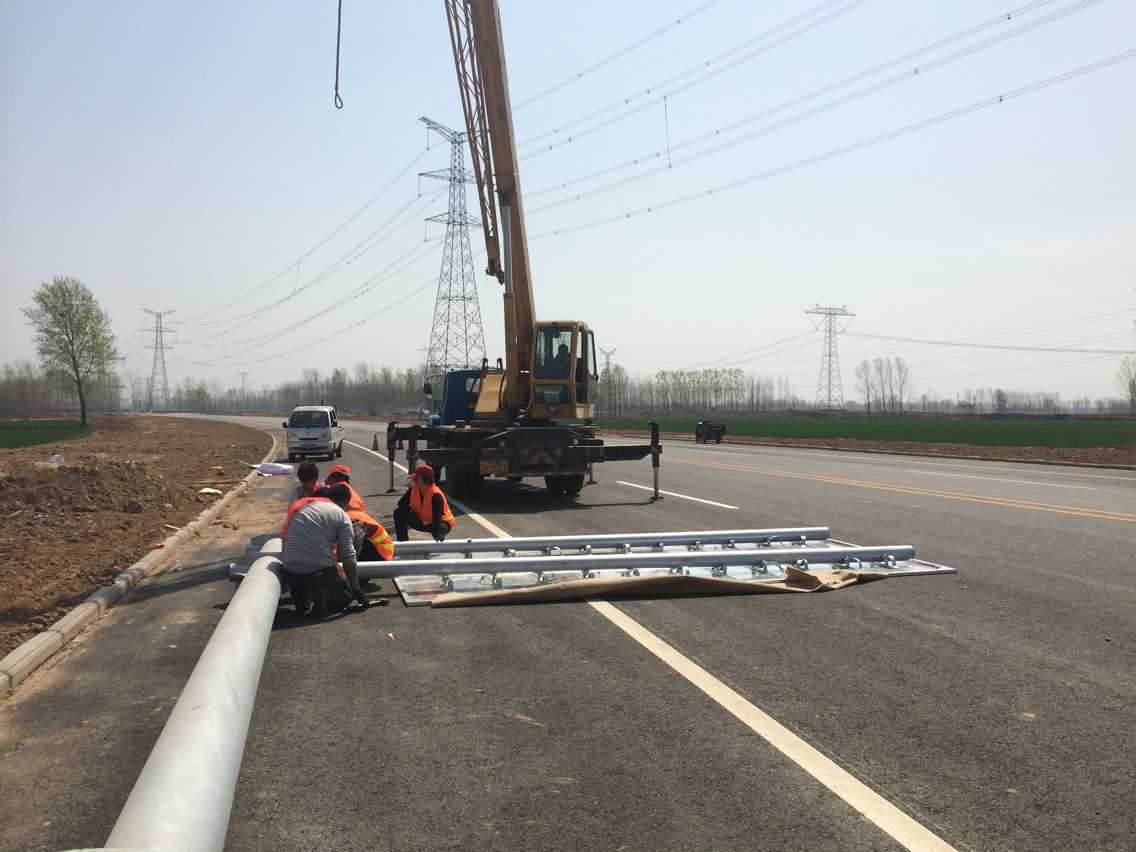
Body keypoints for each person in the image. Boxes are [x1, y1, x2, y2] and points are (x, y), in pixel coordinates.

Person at [280, 483, 364, 617]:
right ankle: (320, 593)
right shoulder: (342, 516)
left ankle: (302, 595)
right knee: (346, 595)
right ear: (344, 502)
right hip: (317, 572)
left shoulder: (305, 508)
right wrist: (356, 589)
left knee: (304, 576)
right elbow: (348, 556)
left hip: (289, 570)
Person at [393, 463, 455, 542]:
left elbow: (437, 519)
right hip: (423, 521)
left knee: (438, 530)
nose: (414, 481)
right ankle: (403, 542)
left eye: (416, 479)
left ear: (426, 480)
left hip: (441, 523)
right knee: (398, 513)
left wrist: (439, 535)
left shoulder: (436, 495)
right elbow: (401, 504)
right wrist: (411, 512)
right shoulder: (413, 489)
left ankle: (439, 543)